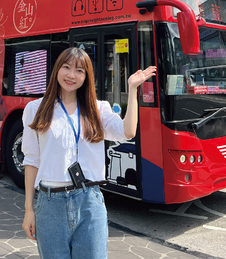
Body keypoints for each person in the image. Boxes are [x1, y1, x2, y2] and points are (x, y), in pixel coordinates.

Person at [20, 47, 156, 258]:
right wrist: (29, 209)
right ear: (57, 70)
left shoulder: (97, 109)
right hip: (49, 204)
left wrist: (132, 90)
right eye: (66, 67)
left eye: (79, 71)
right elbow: (31, 161)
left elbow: (127, 131)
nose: (71, 75)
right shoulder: (35, 109)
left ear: (86, 76)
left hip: (89, 202)